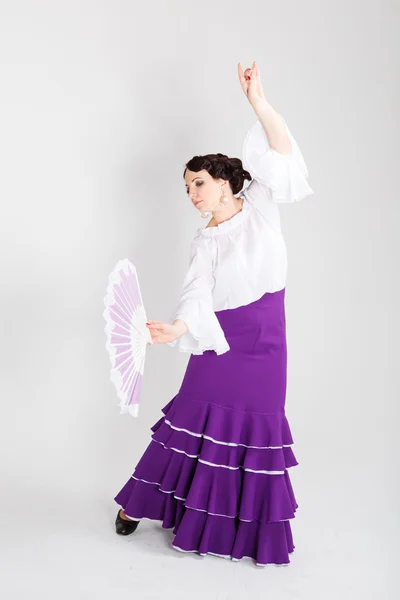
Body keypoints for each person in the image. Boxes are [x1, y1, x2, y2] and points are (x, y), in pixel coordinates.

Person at [113, 61, 314, 567]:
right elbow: (196, 294)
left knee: (257, 428)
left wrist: (258, 102)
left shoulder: (263, 203)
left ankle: (241, 530)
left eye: (198, 183)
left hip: (267, 342)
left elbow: (283, 152)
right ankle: (138, 503)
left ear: (225, 182)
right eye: (186, 188)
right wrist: (176, 328)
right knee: (189, 418)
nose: (192, 195)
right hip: (219, 342)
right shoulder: (204, 241)